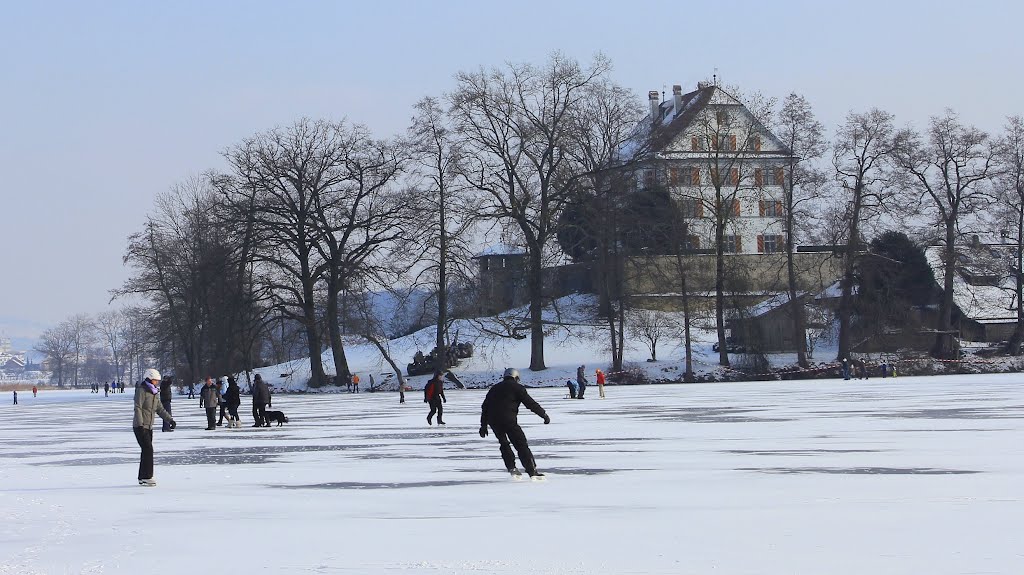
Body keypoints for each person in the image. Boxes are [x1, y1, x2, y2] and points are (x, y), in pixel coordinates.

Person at [480, 368, 550, 478]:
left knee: (504, 443)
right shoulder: (517, 388)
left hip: (493, 421)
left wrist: (483, 425)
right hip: (509, 420)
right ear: (516, 377)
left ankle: (511, 467)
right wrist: (544, 415)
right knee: (521, 444)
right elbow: (530, 404)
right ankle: (532, 471)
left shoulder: (494, 388)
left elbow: (485, 407)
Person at [133, 369, 176, 486]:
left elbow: (160, 409)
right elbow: (138, 408)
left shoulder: (155, 392)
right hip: (140, 426)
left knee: (146, 450)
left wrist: (170, 420)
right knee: (148, 450)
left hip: (149, 426)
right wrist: (140, 424)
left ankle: (142, 477)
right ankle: (147, 476)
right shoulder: (141, 390)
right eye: (155, 380)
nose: (157, 382)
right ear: (150, 379)